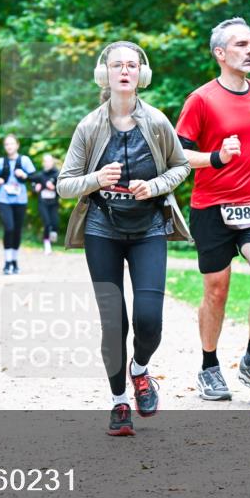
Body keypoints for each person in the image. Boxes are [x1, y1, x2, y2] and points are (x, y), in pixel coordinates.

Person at [57, 41, 192, 436]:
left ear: (141, 75)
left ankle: (140, 370)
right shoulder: (89, 126)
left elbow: (181, 166)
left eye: (132, 65)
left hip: (149, 228)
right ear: (105, 74)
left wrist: (155, 186)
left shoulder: (157, 122)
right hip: (103, 229)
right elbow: (64, 184)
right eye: (117, 65)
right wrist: (96, 179)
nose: (125, 71)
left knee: (149, 320)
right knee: (113, 323)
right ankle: (119, 402)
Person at [174, 18, 250, 404]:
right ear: (220, 54)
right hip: (211, 208)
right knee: (216, 291)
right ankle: (209, 367)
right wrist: (216, 157)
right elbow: (178, 155)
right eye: (241, 44)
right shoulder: (201, 99)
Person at [0, 135, 35, 274]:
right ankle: (7, 262)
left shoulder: (24, 160)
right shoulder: (0, 161)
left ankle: (14, 261)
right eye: (6, 144)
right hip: (3, 199)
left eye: (11, 144)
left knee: (17, 230)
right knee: (9, 228)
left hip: (20, 199)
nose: (9, 146)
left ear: (17, 145)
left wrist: (25, 175)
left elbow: (34, 177)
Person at [32, 154, 61, 255]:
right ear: (43, 163)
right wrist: (35, 188)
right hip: (43, 203)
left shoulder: (57, 175)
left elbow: (62, 190)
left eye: (49, 161)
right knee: (47, 223)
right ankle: (47, 246)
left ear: (52, 162)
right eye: (45, 161)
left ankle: (52, 236)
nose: (47, 163)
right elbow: (32, 183)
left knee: (55, 223)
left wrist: (54, 188)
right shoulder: (40, 175)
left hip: (54, 204)